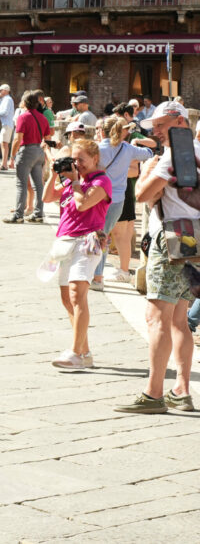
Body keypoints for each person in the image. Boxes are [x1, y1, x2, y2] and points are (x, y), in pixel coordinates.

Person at [115, 101, 196, 413]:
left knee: (157, 317)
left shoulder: (172, 156)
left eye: (161, 125)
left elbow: (144, 194)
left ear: (178, 121)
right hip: (196, 241)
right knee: (180, 319)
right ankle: (183, 389)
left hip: (171, 239)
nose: (157, 132)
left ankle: (153, 393)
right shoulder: (198, 149)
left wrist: (148, 171)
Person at [42, 138, 111, 371]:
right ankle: (84, 352)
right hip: (64, 242)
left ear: (95, 159)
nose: (77, 164)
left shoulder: (101, 182)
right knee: (66, 298)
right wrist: (55, 173)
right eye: (74, 159)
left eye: (81, 159)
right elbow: (47, 197)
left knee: (76, 293)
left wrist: (74, 182)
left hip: (88, 241)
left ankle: (74, 353)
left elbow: (83, 205)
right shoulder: (74, 181)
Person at [88, 117, 154, 289]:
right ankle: (96, 275)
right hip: (118, 199)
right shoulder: (127, 148)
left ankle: (97, 277)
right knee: (104, 235)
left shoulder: (97, 148)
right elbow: (150, 154)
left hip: (98, 197)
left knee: (98, 236)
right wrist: (136, 144)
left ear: (102, 131)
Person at [4, 92, 50, 223]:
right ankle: (38, 213)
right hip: (39, 151)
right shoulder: (43, 118)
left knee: (21, 184)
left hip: (26, 151)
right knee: (38, 185)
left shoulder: (23, 117)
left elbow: (17, 139)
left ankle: (18, 215)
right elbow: (47, 138)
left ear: (24, 103)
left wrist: (12, 156)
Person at [0, 84, 15, 170]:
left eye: (1, 90)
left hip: (6, 124)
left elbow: (5, 112)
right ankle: (4, 163)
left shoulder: (7, 99)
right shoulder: (6, 99)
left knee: (4, 143)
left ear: (6, 91)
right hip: (6, 124)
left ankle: (4, 164)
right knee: (3, 143)